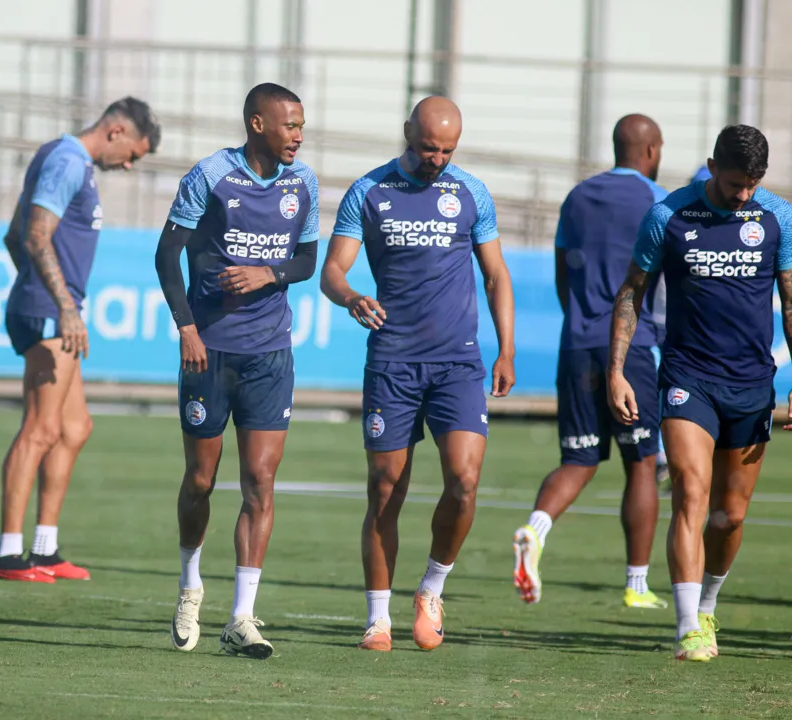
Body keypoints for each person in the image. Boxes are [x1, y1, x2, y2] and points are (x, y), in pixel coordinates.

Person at [320, 96, 515, 652]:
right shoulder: (369, 191)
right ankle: (377, 618)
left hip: (458, 361)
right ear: (408, 132)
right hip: (394, 363)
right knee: (385, 489)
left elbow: (496, 276)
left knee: (465, 480)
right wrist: (352, 296)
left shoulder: (471, 192)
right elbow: (333, 269)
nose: (437, 159)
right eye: (428, 147)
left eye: (448, 150)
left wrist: (507, 350)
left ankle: (431, 588)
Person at [608, 124, 792, 661]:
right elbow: (631, 293)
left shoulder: (777, 217)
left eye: (752, 185)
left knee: (729, 515)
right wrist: (617, 368)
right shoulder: (668, 216)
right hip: (688, 378)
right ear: (712, 166)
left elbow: (789, 299)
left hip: (752, 383)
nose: (742, 195)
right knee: (691, 492)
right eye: (735, 183)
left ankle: (707, 604)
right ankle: (688, 625)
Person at [156, 82, 319, 659]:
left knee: (260, 482)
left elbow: (306, 259)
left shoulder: (304, 184)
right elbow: (166, 253)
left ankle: (241, 617)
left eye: (301, 125)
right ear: (257, 124)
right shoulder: (211, 175)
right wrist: (187, 328)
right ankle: (188, 586)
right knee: (200, 480)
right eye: (290, 125)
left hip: (270, 353)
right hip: (209, 352)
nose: (299, 135)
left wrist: (269, 274)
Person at [0, 97, 160, 582]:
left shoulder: (65, 159)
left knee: (75, 426)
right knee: (41, 430)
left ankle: (45, 549)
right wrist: (60, 305)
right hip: (50, 314)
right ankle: (8, 553)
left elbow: (12, 235)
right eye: (133, 154)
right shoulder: (67, 160)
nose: (129, 166)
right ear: (116, 131)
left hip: (49, 308)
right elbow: (34, 237)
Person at [513, 114, 668, 610]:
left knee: (578, 459)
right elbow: (663, 282)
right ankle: (637, 585)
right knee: (642, 463)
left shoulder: (577, 196)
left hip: (578, 342)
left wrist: (581, 320)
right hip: (634, 346)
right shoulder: (657, 201)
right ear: (651, 150)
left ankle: (535, 531)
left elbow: (564, 272)